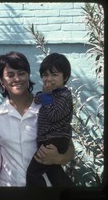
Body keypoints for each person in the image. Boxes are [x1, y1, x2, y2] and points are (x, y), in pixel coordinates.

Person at [0, 51, 75, 187]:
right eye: (10, 75)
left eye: (21, 73)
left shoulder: (47, 107)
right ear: (1, 80)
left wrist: (58, 158)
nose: (17, 79)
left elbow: (69, 147)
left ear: (28, 75)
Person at [26, 53, 74, 187]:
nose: (49, 79)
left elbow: (53, 115)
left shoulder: (64, 96)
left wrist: (46, 95)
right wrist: (42, 95)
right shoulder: (52, 94)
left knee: (33, 174)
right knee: (54, 172)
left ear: (65, 77)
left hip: (54, 140)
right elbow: (37, 99)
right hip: (49, 139)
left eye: (54, 74)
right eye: (45, 75)